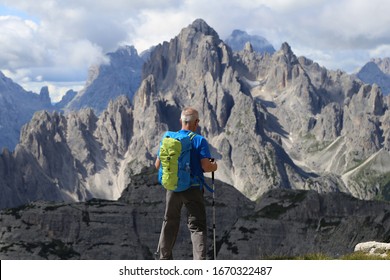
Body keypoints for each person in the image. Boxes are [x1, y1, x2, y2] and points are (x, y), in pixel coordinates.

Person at [155, 107, 218, 260]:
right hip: (193, 189)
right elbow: (205, 166)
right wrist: (214, 165)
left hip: (173, 186)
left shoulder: (168, 138)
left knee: (169, 221)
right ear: (196, 122)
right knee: (197, 227)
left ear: (181, 121)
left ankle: (163, 260)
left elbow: (157, 165)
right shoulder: (199, 140)